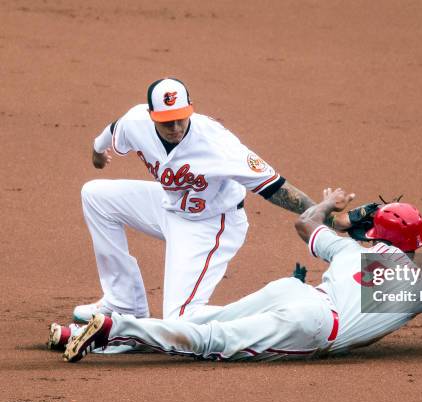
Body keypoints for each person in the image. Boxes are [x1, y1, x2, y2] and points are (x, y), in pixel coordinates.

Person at [58, 188, 422, 362]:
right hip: (310, 325)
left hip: (294, 290)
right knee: (208, 340)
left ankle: (89, 334)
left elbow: (306, 222)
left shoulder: (349, 249)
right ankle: (113, 330)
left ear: (376, 231)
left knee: (198, 321)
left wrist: (330, 202)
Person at [74, 77, 316, 322]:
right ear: (151, 115)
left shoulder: (218, 143)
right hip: (170, 206)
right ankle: (123, 304)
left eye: (182, 117)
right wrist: (97, 154)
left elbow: (275, 187)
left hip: (211, 222)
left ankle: (283, 312)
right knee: (95, 196)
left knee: (179, 320)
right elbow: (112, 130)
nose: (176, 127)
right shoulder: (136, 122)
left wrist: (322, 213)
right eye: (167, 122)